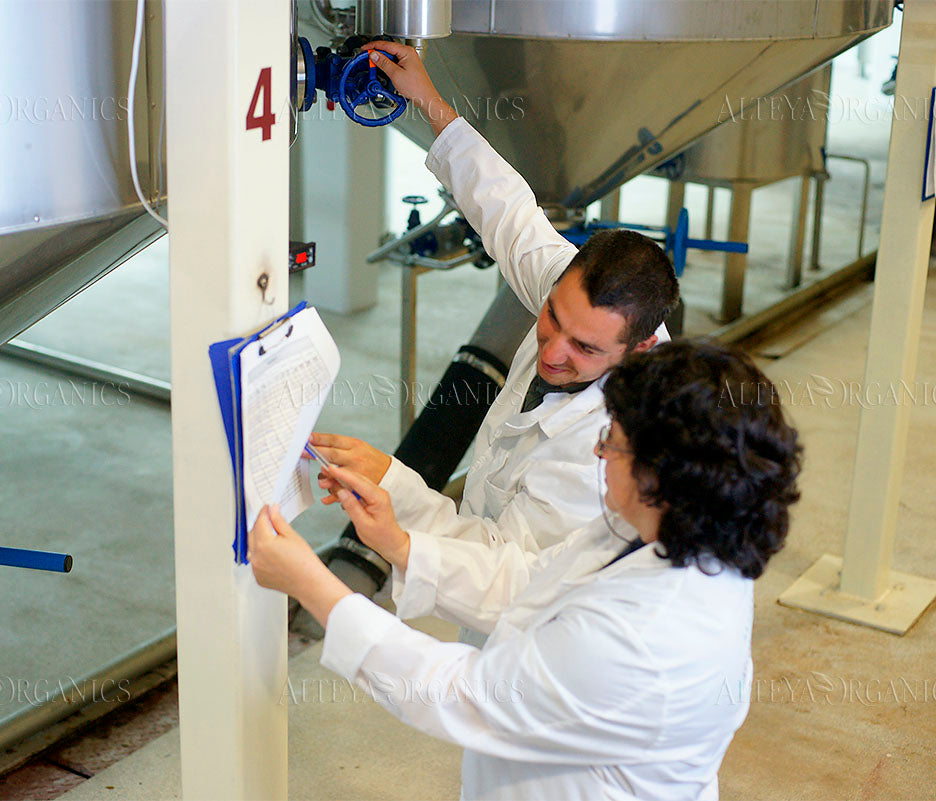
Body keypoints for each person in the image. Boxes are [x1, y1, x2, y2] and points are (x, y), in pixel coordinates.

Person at [250, 339, 802, 800]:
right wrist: (399, 541)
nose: (598, 451)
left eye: (614, 440)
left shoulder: (641, 637)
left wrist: (312, 585)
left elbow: (459, 695)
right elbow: (529, 583)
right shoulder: (677, 531)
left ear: (664, 477)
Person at [310, 40, 679, 578]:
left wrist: (393, 500)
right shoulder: (569, 288)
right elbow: (508, 212)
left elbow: (501, 570)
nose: (551, 352)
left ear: (640, 349)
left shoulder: (606, 448)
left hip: (539, 620)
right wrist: (428, 99)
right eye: (551, 318)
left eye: (585, 347)